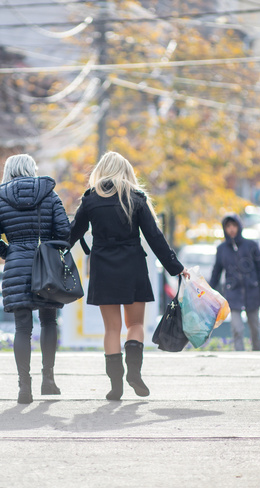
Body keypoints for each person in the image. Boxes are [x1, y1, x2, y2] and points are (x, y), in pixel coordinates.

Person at [70, 151, 189, 401]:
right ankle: (134, 372)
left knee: (111, 329)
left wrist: (49, 250)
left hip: (103, 268)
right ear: (126, 172)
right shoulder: (135, 198)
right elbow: (154, 238)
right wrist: (176, 267)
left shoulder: (90, 199)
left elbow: (71, 234)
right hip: (133, 267)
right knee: (135, 325)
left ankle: (116, 386)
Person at [0, 154, 70, 404]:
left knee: (22, 327)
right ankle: (49, 380)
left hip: (16, 267)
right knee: (49, 322)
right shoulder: (50, 195)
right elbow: (64, 232)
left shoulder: (0, 200)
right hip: (47, 268)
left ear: (8, 171)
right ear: (32, 169)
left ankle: (24, 386)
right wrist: (52, 250)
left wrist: (10, 253)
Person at [210, 214, 260, 351]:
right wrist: (209, 291)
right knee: (237, 328)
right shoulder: (222, 249)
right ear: (224, 229)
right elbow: (216, 272)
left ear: (239, 226)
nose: (231, 229)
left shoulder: (251, 245)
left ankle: (257, 354)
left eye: (234, 226)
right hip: (233, 292)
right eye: (228, 226)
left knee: (255, 327)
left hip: (252, 291)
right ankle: (239, 356)